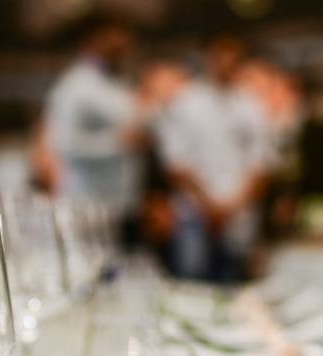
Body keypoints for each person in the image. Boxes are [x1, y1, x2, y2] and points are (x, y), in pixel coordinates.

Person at [155, 35, 274, 282]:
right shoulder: (186, 102)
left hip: (237, 218)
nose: (227, 62)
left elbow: (261, 164)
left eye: (234, 57)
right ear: (207, 58)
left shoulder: (251, 106)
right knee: (192, 288)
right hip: (194, 217)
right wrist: (208, 205)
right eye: (221, 55)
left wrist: (233, 205)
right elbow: (175, 163)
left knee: (235, 290)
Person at [44, 18, 143, 219]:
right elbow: (64, 143)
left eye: (124, 47)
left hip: (123, 203)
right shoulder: (74, 85)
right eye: (115, 47)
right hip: (87, 205)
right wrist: (118, 142)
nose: (122, 52)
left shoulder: (120, 84)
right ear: (93, 42)